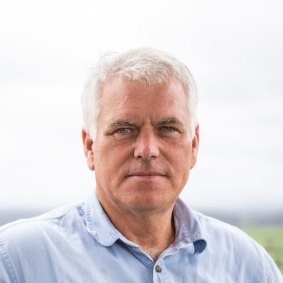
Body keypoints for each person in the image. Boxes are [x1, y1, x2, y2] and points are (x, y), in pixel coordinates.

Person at [0, 48, 282, 283]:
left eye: (168, 128)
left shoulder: (247, 265)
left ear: (193, 145)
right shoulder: (16, 260)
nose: (147, 149)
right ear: (90, 147)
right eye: (124, 129)